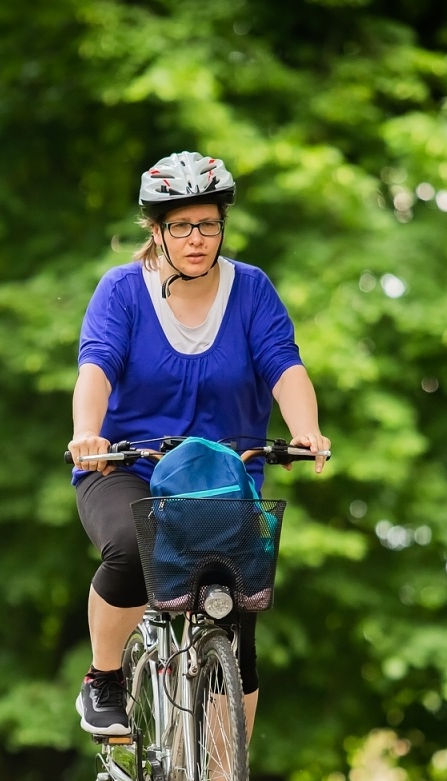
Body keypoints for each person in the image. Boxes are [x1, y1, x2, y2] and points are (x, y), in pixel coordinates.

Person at [69, 150, 330, 737]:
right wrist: (88, 432)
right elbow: (97, 368)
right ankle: (104, 677)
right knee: (132, 548)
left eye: (207, 224)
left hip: (221, 475)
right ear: (156, 230)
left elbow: (284, 366)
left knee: (240, 628)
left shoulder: (252, 290)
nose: (196, 238)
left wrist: (305, 428)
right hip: (126, 467)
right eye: (181, 225)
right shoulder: (121, 292)